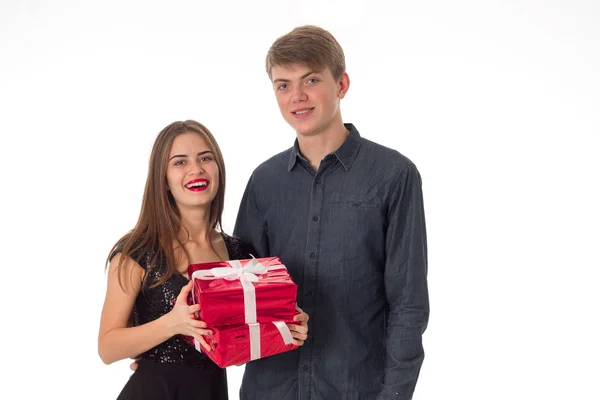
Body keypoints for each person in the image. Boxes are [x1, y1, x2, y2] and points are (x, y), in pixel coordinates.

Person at [233, 25, 429, 400]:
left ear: (342, 85)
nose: (297, 96)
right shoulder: (264, 181)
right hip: (270, 388)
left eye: (311, 80)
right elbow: (237, 287)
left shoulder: (393, 175)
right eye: (283, 85)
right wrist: (162, 348)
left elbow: (408, 304)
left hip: (355, 388)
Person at [98, 120, 309, 400]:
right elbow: (107, 348)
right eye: (180, 162)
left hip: (211, 391)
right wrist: (172, 324)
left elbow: (244, 342)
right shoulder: (137, 252)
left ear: (218, 168)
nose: (195, 169)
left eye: (205, 158)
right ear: (163, 178)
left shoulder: (239, 255)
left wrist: (290, 325)